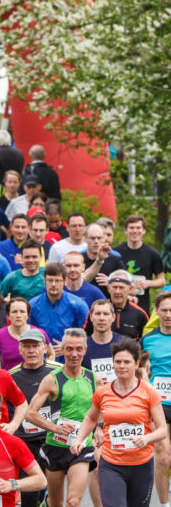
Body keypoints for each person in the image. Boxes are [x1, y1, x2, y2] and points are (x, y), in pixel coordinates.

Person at [70, 339, 167, 507]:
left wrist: (147, 438)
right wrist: (79, 439)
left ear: (136, 364)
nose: (121, 366)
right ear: (113, 363)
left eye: (127, 362)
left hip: (141, 465)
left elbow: (162, 430)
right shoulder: (103, 392)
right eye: (118, 362)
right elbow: (91, 418)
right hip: (111, 464)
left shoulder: (149, 392)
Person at [26, 328, 97, 507]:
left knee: (73, 502)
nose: (74, 354)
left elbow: (102, 410)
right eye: (69, 349)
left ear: (85, 350)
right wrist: (56, 428)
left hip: (82, 447)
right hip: (55, 447)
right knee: (55, 503)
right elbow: (31, 413)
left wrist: (99, 429)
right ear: (63, 350)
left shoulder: (94, 379)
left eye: (79, 349)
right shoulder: (52, 379)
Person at [8, 329, 61, 507]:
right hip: (24, 441)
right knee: (29, 496)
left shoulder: (59, 371)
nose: (31, 350)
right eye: (26, 346)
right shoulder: (10, 376)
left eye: (36, 346)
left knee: (51, 491)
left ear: (45, 348)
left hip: (51, 439)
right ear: (20, 350)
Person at [139, 290, 171, 507]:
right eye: (164, 310)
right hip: (159, 404)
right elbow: (138, 369)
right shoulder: (147, 340)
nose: (168, 314)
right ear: (157, 312)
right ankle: (164, 504)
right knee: (164, 457)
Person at [29, 263, 89, 358]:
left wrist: (68, 347)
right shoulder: (33, 305)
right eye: (50, 280)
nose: (53, 284)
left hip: (70, 358)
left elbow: (87, 335)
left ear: (65, 281)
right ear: (44, 281)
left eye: (57, 280)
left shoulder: (78, 305)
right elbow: (27, 333)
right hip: (41, 359)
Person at [113, 214, 165, 313]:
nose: (135, 231)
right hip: (118, 303)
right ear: (126, 230)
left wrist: (148, 283)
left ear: (144, 230)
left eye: (138, 228)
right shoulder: (116, 252)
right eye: (131, 228)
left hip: (142, 305)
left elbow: (162, 280)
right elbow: (108, 276)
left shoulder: (152, 254)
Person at [0, 297, 54, 370]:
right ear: (8, 315)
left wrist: (47, 372)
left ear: (28, 315)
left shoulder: (40, 333)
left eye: (22, 312)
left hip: (37, 377)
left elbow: (51, 354)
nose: (18, 315)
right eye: (14, 312)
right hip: (9, 377)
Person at [83, 300, 129, 385]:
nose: (101, 318)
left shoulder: (126, 345)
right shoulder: (82, 347)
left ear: (113, 318)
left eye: (106, 314)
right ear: (91, 317)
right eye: (97, 314)